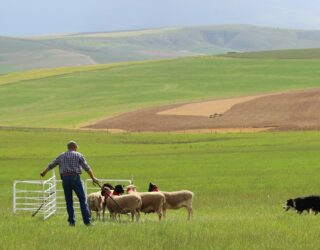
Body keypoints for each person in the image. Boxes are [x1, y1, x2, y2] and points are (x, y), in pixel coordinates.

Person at [40, 140, 99, 226]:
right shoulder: (78, 155)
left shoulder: (62, 155)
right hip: (75, 178)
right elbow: (87, 167)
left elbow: (51, 165)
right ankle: (87, 222)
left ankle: (72, 222)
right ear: (75, 147)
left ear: (68, 147)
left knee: (69, 201)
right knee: (82, 200)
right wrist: (93, 178)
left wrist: (44, 172)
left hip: (65, 179)